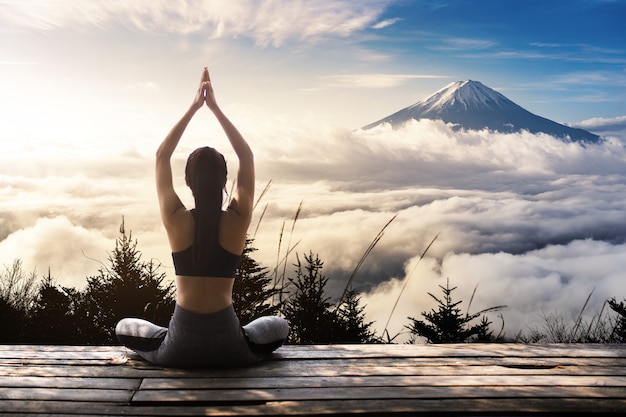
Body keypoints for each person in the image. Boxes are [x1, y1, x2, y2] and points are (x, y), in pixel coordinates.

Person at [115, 67, 289, 368]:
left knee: (124, 326)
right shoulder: (236, 221)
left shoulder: (176, 219)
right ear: (224, 182)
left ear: (187, 182)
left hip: (180, 347)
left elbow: (161, 156)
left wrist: (194, 106)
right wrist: (215, 108)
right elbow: (246, 157)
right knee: (279, 325)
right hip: (232, 348)